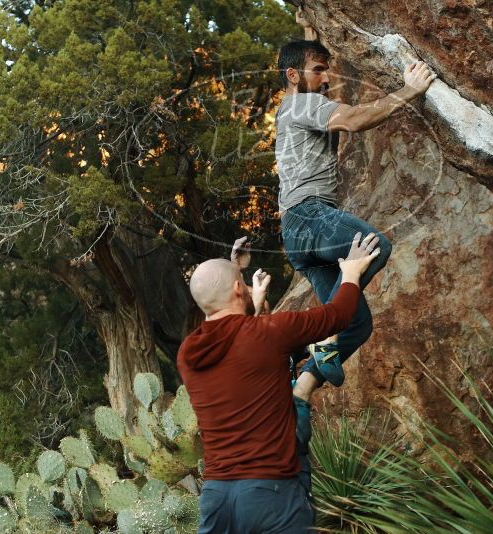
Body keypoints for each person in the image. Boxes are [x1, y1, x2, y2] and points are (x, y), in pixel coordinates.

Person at [275, 11, 437, 391]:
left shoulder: (296, 106)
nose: (328, 78)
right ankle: (324, 336)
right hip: (310, 219)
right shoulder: (301, 103)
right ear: (293, 77)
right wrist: (410, 90)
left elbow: (313, 65)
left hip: (298, 237)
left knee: (359, 324)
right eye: (319, 70)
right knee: (374, 246)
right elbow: (354, 119)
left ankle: (302, 385)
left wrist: (309, 24)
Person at [178, 232, 381, 533]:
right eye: (243, 285)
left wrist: (235, 272)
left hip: (217, 496)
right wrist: (350, 274)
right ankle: (309, 379)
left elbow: (231, 328)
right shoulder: (270, 332)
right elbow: (336, 316)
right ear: (238, 289)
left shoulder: (187, 354)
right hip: (270, 492)